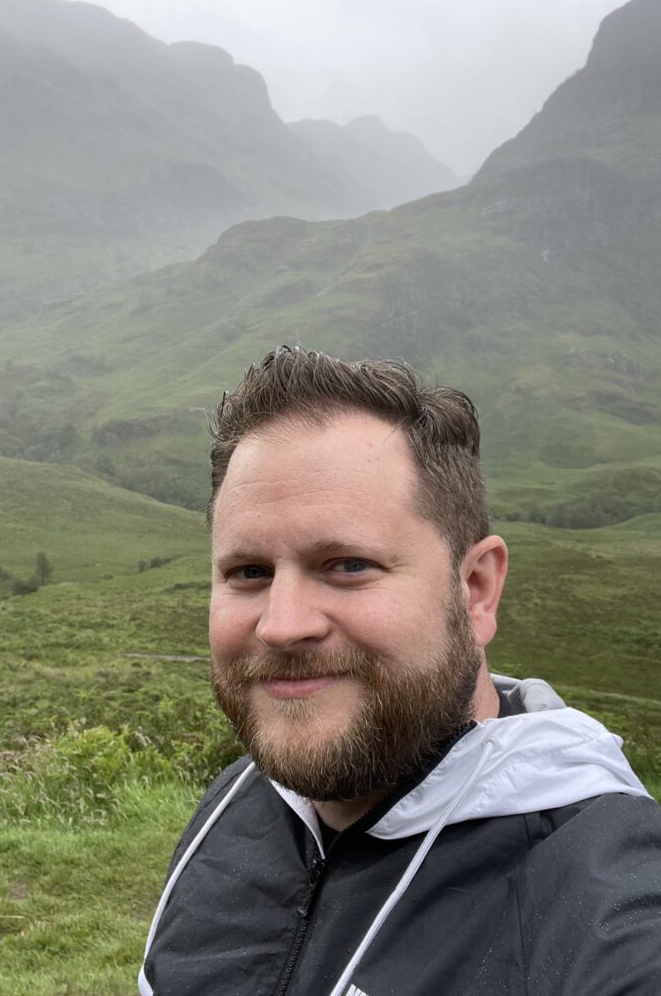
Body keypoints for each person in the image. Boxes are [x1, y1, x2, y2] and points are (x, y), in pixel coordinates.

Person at [139, 346, 661, 996]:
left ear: (475, 589)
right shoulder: (234, 803)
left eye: (348, 564)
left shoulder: (604, 896)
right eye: (249, 573)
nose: (281, 624)